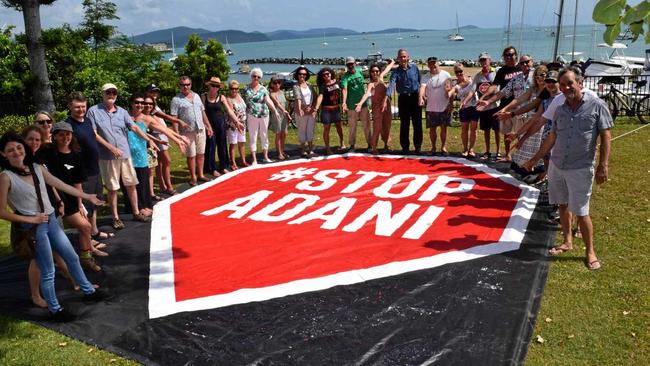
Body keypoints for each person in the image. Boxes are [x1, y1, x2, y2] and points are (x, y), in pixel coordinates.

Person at [0, 132, 108, 321]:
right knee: (48, 270)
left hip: (50, 220)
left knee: (72, 257)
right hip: (34, 227)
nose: (16, 152)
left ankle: (89, 291)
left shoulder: (36, 167)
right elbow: (1, 211)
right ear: (3, 154)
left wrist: (86, 197)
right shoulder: (6, 177)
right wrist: (31, 220)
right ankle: (55, 309)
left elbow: (60, 184)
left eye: (18, 147)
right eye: (10, 150)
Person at [522, 68, 612, 271]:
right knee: (562, 205)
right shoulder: (560, 108)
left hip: (580, 167)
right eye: (562, 85)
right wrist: (535, 159)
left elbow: (606, 136)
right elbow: (552, 137)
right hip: (557, 165)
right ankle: (567, 241)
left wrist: (603, 166)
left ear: (580, 83)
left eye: (569, 83)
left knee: (581, 212)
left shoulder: (597, 106)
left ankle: (590, 251)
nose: (565, 88)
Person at [87, 83, 155, 230]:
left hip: (125, 154)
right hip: (107, 156)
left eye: (114, 93)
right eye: (108, 92)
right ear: (102, 94)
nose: (111, 95)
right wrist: (110, 147)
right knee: (112, 188)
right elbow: (93, 133)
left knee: (131, 184)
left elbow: (135, 127)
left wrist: (149, 140)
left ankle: (136, 212)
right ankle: (115, 217)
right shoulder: (93, 111)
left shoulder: (122, 112)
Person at [41, 121, 106, 273]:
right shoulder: (48, 154)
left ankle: (86, 256)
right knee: (77, 229)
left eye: (68, 134)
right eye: (61, 134)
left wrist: (80, 204)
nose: (65, 137)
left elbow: (78, 183)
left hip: (71, 199)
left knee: (86, 226)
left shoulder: (76, 155)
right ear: (54, 136)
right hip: (52, 199)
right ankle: (68, 263)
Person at [65, 92, 112, 243]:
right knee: (84, 206)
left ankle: (94, 231)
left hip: (94, 168)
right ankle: (87, 239)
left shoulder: (87, 121)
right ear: (70, 107)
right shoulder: (68, 126)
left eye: (83, 106)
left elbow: (93, 137)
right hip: (82, 172)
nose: (80, 109)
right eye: (77, 107)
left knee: (96, 202)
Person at [478, 54, 533, 161]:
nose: (525, 64)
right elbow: (502, 92)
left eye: (527, 62)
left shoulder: (537, 75)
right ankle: (522, 162)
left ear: (532, 61)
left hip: (534, 113)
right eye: (522, 63)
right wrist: (488, 102)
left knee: (533, 140)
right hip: (520, 114)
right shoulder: (516, 78)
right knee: (520, 139)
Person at [170, 76, 214, 186]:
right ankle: (193, 177)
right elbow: (174, 118)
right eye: (183, 85)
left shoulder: (197, 96)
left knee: (201, 154)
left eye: (187, 84)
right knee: (191, 155)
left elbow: (202, 113)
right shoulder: (176, 100)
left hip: (200, 129)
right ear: (179, 86)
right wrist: (177, 134)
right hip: (187, 132)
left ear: (191, 84)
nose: (185, 87)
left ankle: (200, 174)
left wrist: (208, 126)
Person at [202, 76, 239, 176]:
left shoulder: (221, 97)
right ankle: (211, 168)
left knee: (222, 146)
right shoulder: (204, 97)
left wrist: (237, 122)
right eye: (213, 85)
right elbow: (202, 112)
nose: (215, 88)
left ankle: (224, 166)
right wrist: (207, 126)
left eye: (217, 86)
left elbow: (229, 111)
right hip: (210, 125)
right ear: (209, 86)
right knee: (211, 147)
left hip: (221, 124)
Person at [355, 59, 395, 154]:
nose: (375, 73)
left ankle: (386, 145)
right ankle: (374, 147)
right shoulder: (371, 84)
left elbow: (388, 69)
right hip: (377, 108)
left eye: (377, 71)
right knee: (377, 128)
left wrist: (392, 62)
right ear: (370, 73)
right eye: (373, 71)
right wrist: (360, 103)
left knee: (387, 126)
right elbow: (366, 94)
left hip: (387, 106)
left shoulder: (381, 78)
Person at [242, 68, 280, 165]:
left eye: (258, 77)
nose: (256, 78)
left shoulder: (263, 89)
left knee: (264, 135)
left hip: (264, 115)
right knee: (253, 136)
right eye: (254, 76)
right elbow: (243, 103)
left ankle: (265, 157)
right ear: (251, 76)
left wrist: (275, 110)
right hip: (251, 115)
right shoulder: (246, 89)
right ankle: (254, 159)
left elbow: (268, 100)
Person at [388, 48, 422, 154]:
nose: (403, 58)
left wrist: (422, 96)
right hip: (403, 99)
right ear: (398, 58)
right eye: (401, 57)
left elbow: (420, 82)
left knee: (417, 123)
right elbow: (391, 84)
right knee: (404, 124)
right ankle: (405, 147)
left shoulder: (415, 68)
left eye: (404, 56)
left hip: (415, 97)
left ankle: (417, 146)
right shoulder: (396, 72)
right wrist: (387, 96)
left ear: (408, 57)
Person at [419, 57, 453, 156]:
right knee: (432, 129)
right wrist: (420, 97)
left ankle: (443, 147)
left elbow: (450, 90)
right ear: (428, 65)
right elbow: (422, 87)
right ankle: (433, 147)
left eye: (434, 63)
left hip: (444, 106)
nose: (433, 66)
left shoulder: (446, 75)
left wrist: (450, 104)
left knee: (443, 128)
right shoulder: (425, 76)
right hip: (431, 107)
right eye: (430, 64)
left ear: (438, 63)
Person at [314, 67, 346, 155]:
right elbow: (320, 96)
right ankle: (327, 148)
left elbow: (344, 89)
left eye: (328, 74)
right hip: (326, 110)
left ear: (331, 74)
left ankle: (342, 143)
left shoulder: (337, 82)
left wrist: (344, 102)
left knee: (339, 127)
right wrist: (316, 108)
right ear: (322, 77)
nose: (327, 76)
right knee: (326, 129)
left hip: (336, 109)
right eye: (324, 75)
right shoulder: (323, 86)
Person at [341, 57, 370, 151]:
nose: (350, 66)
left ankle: (370, 144)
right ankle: (352, 145)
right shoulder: (345, 77)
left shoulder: (360, 72)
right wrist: (344, 102)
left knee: (366, 125)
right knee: (352, 127)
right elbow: (344, 90)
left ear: (355, 64)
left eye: (352, 64)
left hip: (363, 104)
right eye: (348, 64)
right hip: (351, 105)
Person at [453, 63, 479, 157]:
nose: (459, 73)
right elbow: (451, 93)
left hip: (474, 107)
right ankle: (465, 149)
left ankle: (471, 149)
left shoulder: (472, 80)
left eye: (461, 71)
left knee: (473, 129)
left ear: (464, 71)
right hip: (463, 109)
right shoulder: (456, 85)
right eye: (457, 72)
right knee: (464, 130)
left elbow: (472, 92)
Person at [292, 66, 317, 157]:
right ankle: (303, 148)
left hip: (310, 111)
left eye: (304, 74)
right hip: (301, 112)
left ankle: (310, 148)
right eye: (300, 74)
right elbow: (298, 97)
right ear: (297, 75)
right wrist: (300, 108)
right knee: (302, 130)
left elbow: (315, 96)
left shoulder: (310, 85)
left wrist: (313, 108)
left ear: (307, 75)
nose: (302, 75)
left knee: (310, 130)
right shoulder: (296, 86)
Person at [268, 75, 293, 160]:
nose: (277, 84)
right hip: (277, 115)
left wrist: (287, 113)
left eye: (279, 82)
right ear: (271, 84)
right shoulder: (271, 94)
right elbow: (277, 104)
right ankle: (279, 153)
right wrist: (285, 112)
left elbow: (285, 104)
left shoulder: (282, 92)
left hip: (284, 115)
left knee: (284, 134)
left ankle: (282, 151)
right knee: (278, 134)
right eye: (275, 83)